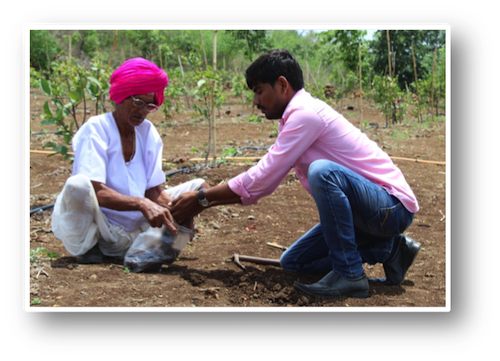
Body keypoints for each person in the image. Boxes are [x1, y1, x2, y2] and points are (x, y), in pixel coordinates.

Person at [170, 49, 421, 299]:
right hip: (367, 213)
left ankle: (350, 274)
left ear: (282, 84)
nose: (255, 102)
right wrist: (203, 202)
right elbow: (264, 184)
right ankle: (390, 249)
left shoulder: (306, 115)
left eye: (259, 91)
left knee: (322, 172)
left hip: (390, 208)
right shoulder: (293, 118)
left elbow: (263, 176)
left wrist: (201, 198)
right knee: (294, 262)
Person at [51, 57, 208, 264]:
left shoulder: (148, 132)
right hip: (102, 226)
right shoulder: (96, 128)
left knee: (199, 190)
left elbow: (153, 191)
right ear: (120, 96)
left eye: (149, 105)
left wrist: (177, 211)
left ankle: (170, 245)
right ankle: (88, 248)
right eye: (138, 102)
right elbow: (97, 191)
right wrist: (142, 204)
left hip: (137, 227)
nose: (143, 111)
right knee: (77, 185)